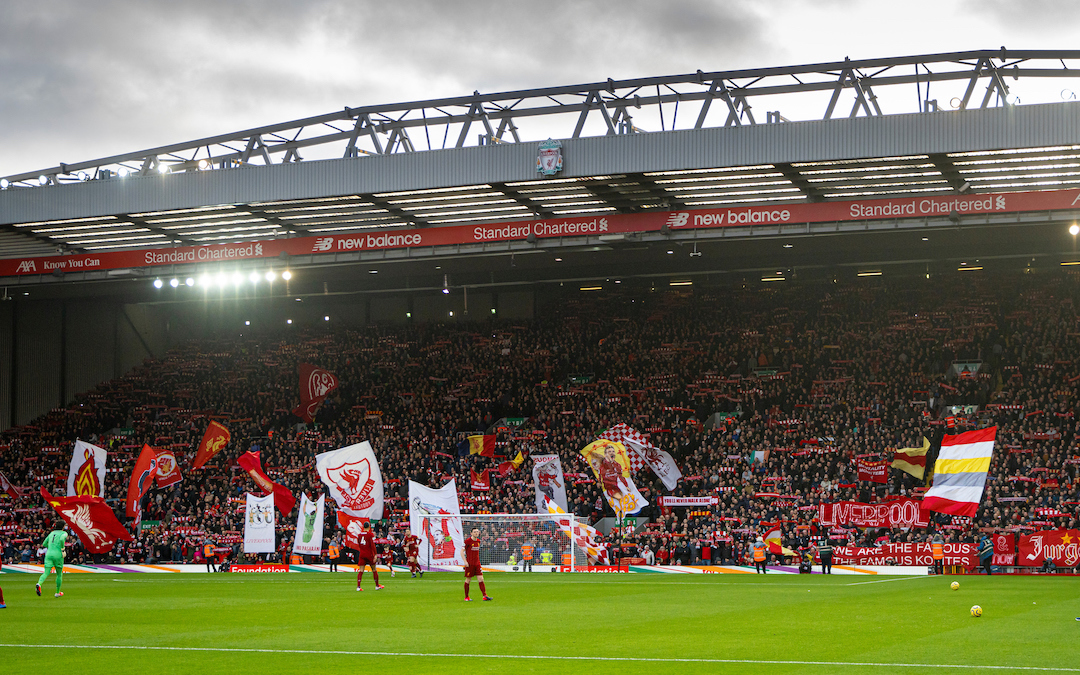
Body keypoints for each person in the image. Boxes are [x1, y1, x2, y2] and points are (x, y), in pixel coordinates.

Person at [37, 522, 68, 598]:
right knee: (59, 574)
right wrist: (63, 549)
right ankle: (57, 592)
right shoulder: (64, 533)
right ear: (63, 527)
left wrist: (51, 547)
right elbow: (61, 539)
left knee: (46, 573)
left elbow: (44, 543)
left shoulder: (51, 533)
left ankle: (39, 583)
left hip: (49, 554)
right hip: (58, 555)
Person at [463, 528, 491, 602]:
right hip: (470, 564)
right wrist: (465, 562)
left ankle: (485, 596)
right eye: (474, 532)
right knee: (468, 580)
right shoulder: (467, 541)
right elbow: (461, 551)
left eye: (477, 532)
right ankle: (466, 597)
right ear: (471, 533)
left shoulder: (478, 541)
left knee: (481, 579)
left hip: (477, 564)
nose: (476, 533)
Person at [354, 520, 383, 591]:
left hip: (362, 554)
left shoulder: (359, 535)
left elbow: (359, 544)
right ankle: (377, 586)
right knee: (374, 569)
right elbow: (372, 546)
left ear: (363, 527)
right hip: (369, 554)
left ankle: (358, 587)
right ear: (369, 527)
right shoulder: (370, 535)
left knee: (361, 570)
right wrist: (375, 554)